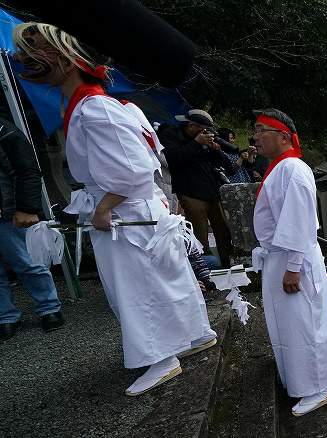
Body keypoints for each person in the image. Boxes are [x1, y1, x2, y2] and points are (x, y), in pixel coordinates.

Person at [13, 22, 217, 395]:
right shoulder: (104, 106)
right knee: (167, 281)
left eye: (40, 52)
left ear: (68, 61)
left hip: (126, 215)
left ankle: (161, 358)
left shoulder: (96, 110)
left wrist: (104, 209)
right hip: (141, 210)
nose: (27, 60)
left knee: (135, 288)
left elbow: (133, 170)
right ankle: (194, 336)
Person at [251, 108, 327, 416]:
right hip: (281, 256)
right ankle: (298, 378)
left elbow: (300, 222)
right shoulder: (279, 167)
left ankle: (319, 386)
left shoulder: (293, 168)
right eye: (256, 129)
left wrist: (292, 267)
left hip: (294, 259)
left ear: (284, 136)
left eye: (263, 129)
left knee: (306, 324)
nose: (256, 136)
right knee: (291, 324)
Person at [0, 116, 65, 340]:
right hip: (7, 210)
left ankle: (49, 308)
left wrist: (26, 207)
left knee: (28, 262)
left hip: (6, 212)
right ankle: (6, 316)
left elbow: (26, 168)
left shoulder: (3, 129)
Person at [157, 109, 234, 267]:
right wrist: (196, 143)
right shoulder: (171, 135)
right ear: (191, 126)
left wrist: (215, 150)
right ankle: (205, 269)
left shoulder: (203, 140)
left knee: (224, 230)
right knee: (199, 234)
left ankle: (228, 264)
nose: (205, 133)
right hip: (189, 190)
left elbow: (222, 165)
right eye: (202, 129)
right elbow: (174, 159)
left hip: (212, 191)